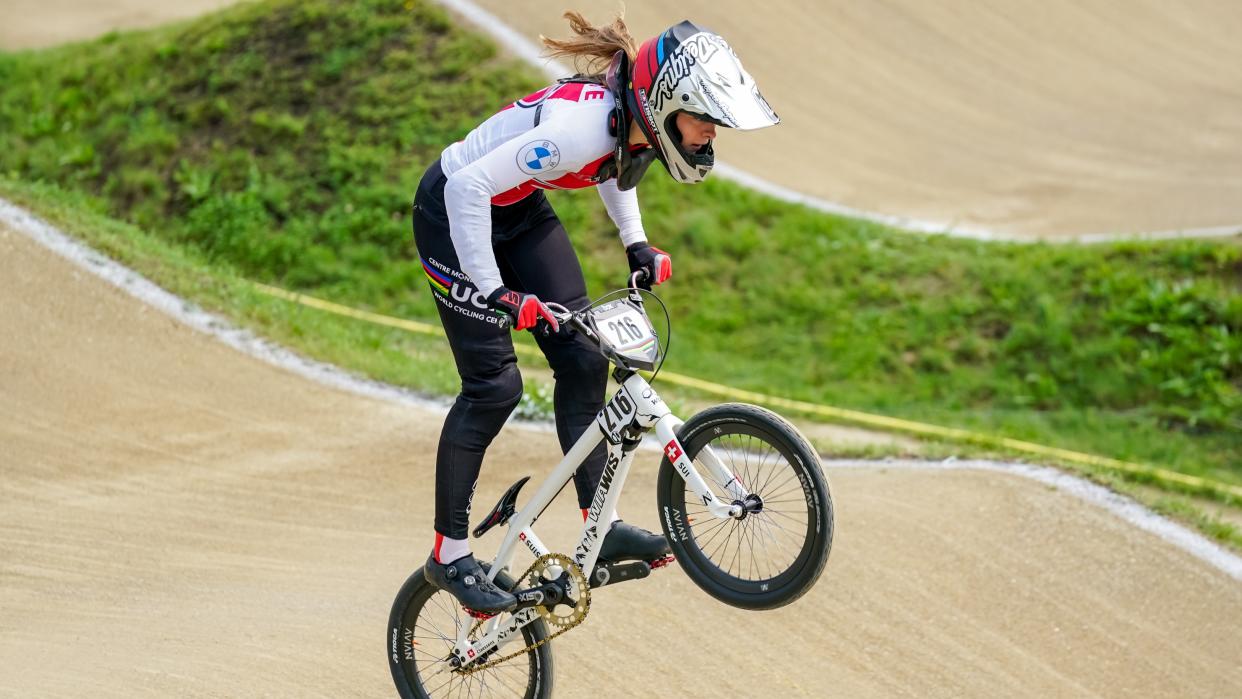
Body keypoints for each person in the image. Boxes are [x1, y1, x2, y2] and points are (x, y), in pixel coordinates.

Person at [412, 11, 780, 613]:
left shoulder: (629, 124)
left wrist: (634, 241)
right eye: (706, 121)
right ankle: (449, 554)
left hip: (516, 207)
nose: (711, 135)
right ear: (665, 106)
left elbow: (618, 166)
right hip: (453, 212)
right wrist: (497, 291)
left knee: (585, 360)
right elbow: (467, 189)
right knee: (494, 387)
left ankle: (598, 528)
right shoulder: (578, 131)